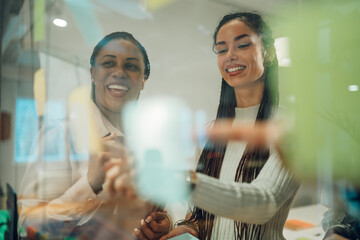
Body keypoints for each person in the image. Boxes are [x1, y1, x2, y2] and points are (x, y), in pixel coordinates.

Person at [157, 12, 300, 240]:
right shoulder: (213, 130)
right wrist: (186, 227)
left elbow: (262, 204)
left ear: (269, 54)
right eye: (222, 49)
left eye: (242, 45)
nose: (230, 56)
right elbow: (200, 215)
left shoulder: (290, 128)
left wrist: (181, 180)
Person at [18, 31, 170, 238]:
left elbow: (150, 214)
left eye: (131, 66)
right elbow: (28, 227)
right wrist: (90, 184)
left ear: (143, 80)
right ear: (92, 73)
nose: (119, 72)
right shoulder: (60, 135)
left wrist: (161, 225)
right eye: (108, 63)